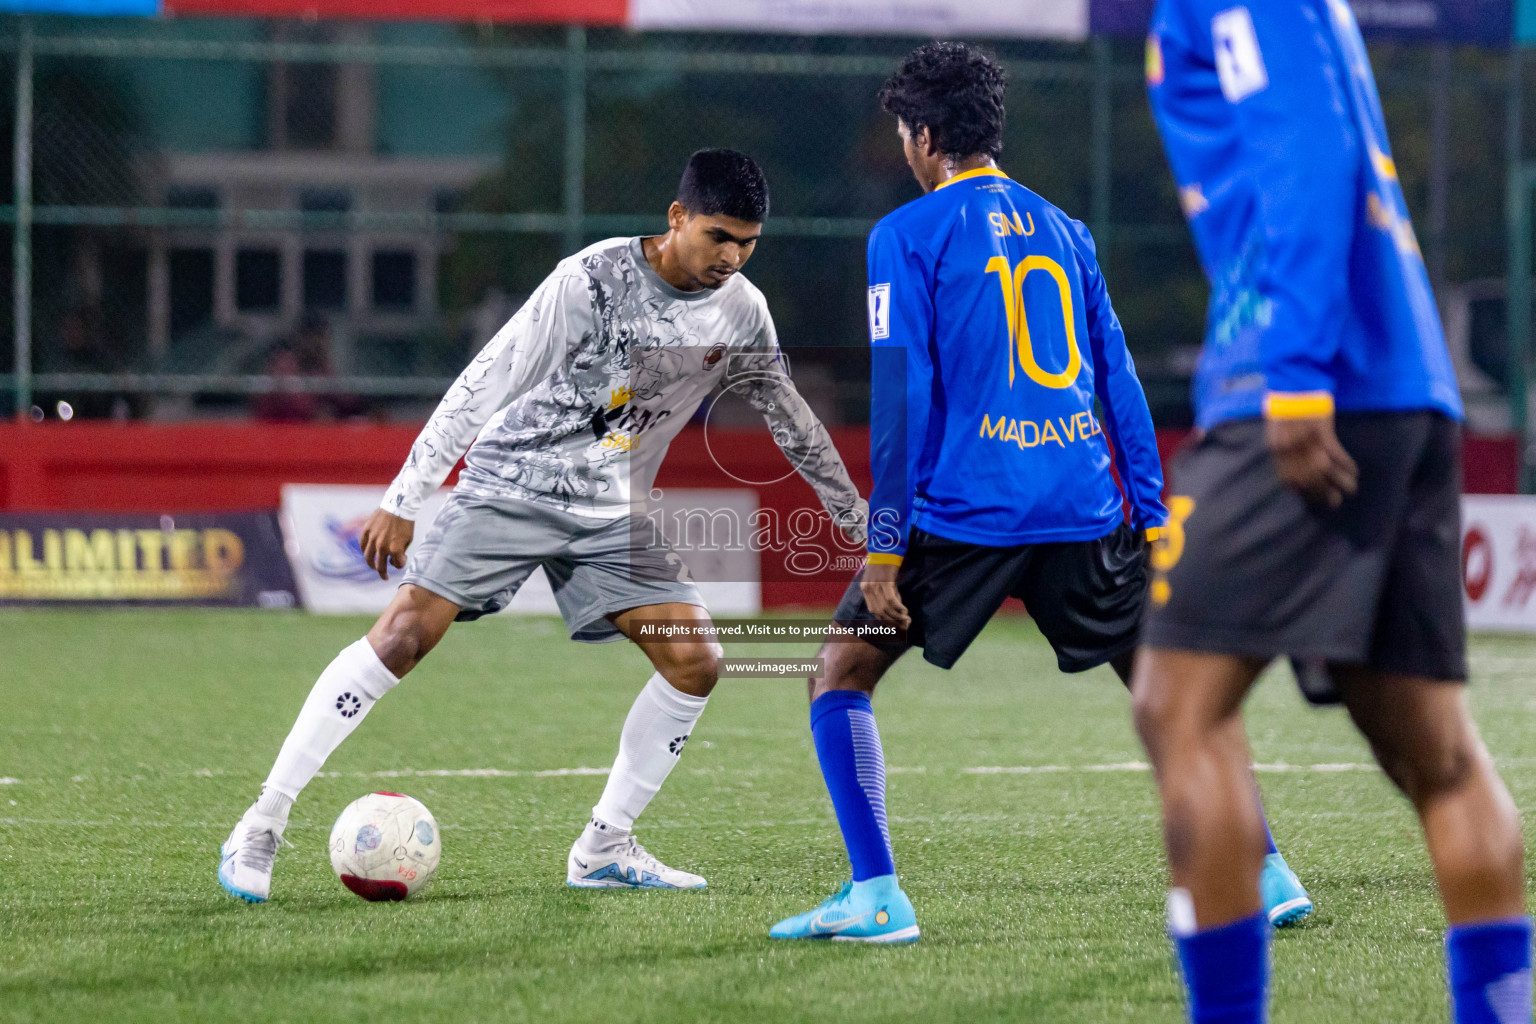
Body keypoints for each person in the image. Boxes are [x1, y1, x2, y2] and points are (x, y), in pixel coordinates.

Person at [218, 149, 867, 902]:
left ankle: (604, 847)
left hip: (611, 511)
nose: (732, 256)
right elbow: (489, 376)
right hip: (512, 484)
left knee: (696, 659)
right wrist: (406, 494)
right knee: (402, 635)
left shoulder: (742, 309)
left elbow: (788, 416)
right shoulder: (590, 279)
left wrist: (855, 517)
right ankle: (262, 822)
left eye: (748, 242)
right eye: (719, 235)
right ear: (677, 216)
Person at [769, 42, 1308, 945]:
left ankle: (876, 896)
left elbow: (905, 397)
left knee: (841, 672)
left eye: (906, 134)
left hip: (967, 514)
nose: (905, 148)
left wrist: (887, 543)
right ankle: (1264, 869)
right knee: (1172, 693)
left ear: (927, 135)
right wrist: (1148, 511)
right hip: (1084, 504)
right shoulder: (1066, 228)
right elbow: (1118, 382)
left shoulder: (904, 236)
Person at [1140, 2, 1529, 1021]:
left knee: (1176, 705)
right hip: (1404, 382)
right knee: (1435, 751)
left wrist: (1297, 374)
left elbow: (1308, 146)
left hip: (1315, 380)